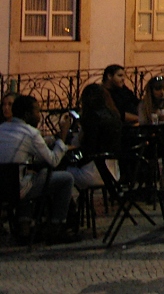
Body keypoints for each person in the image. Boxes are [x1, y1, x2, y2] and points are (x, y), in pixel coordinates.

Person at [0, 95, 78, 243]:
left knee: (30, 176)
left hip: (3, 187)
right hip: (18, 189)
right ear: (27, 114)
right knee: (66, 179)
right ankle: (57, 226)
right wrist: (62, 135)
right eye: (37, 111)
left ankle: (24, 226)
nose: (39, 115)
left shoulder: (2, 128)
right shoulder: (30, 133)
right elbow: (53, 160)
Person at [67, 83, 123, 192]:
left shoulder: (91, 119)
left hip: (95, 172)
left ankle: (69, 208)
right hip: (114, 174)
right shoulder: (114, 116)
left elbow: (88, 148)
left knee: (60, 173)